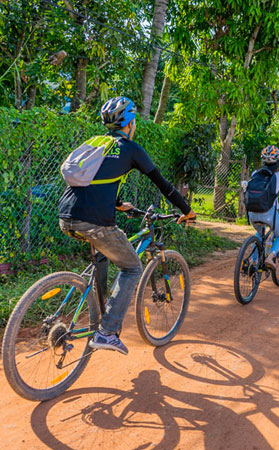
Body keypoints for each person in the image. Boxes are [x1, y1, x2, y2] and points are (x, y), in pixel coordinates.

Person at [58, 96, 196, 355]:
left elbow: (93, 180)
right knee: (133, 267)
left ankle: (98, 315)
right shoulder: (131, 149)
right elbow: (163, 185)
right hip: (95, 221)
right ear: (130, 123)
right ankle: (107, 332)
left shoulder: (95, 143)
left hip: (66, 215)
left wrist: (119, 203)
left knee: (104, 254)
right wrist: (186, 210)